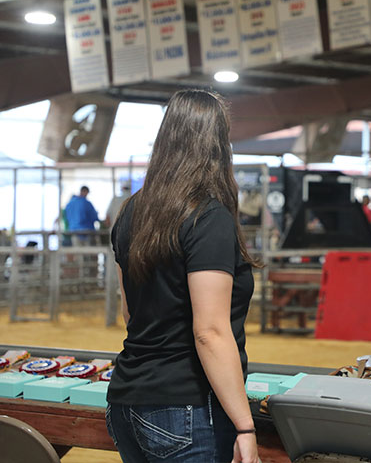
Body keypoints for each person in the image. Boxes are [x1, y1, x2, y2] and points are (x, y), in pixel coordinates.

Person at [106, 90, 261, 463]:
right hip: (185, 407)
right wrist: (245, 425)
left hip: (127, 400)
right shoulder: (208, 218)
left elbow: (130, 312)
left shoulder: (132, 211)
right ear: (218, 145)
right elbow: (209, 331)